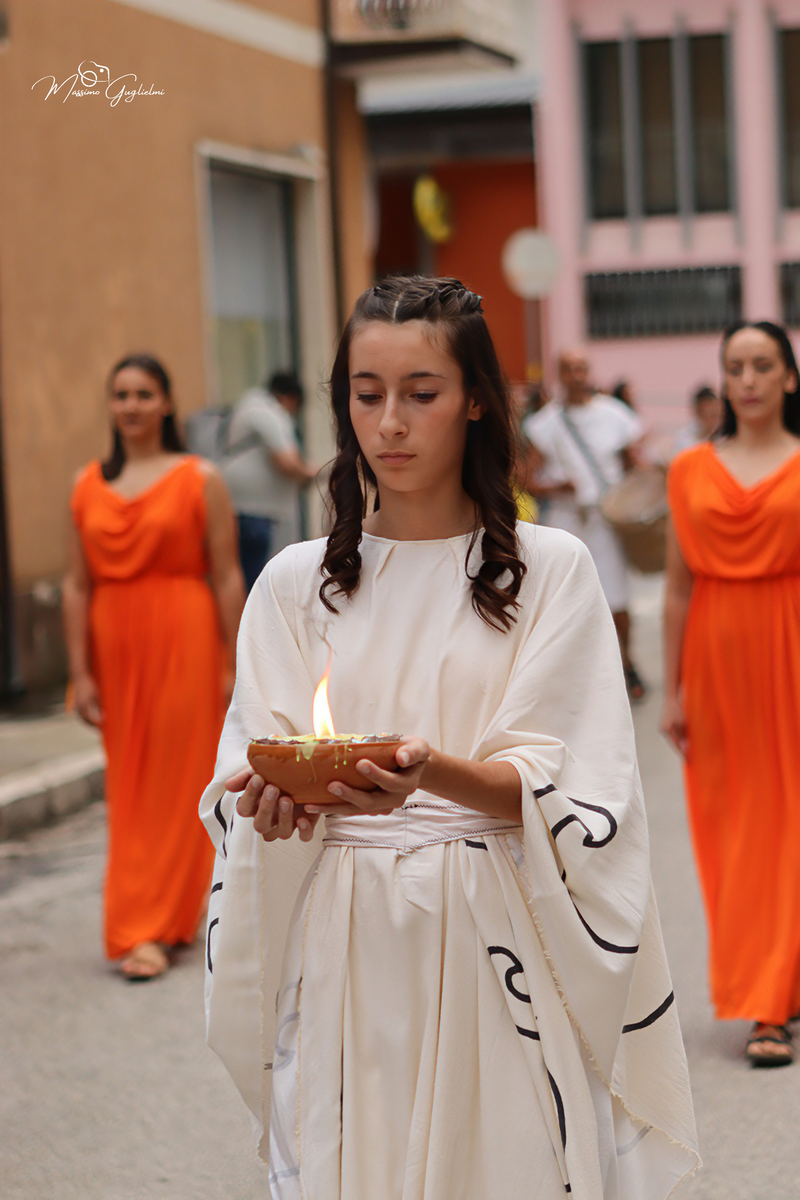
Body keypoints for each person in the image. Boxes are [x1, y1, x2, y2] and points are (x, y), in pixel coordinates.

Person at [200, 277, 699, 1198]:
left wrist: (433, 774)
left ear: (475, 400)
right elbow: (246, 766)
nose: (389, 422)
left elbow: (584, 789)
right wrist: (267, 805)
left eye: (420, 393)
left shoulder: (549, 572)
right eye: (365, 393)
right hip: (341, 939)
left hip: (491, 930)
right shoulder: (293, 583)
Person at [63, 354, 244, 981]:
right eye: (121, 395)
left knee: (177, 780)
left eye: (144, 394)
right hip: (116, 647)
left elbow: (225, 575)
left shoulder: (200, 478)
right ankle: (153, 916)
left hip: (185, 639)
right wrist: (80, 673)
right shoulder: (86, 483)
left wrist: (234, 660)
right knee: (129, 785)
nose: (132, 405)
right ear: (110, 405)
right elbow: (75, 584)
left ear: (167, 403)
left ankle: (154, 928)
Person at [663, 320, 800, 1068]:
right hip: (717, 663)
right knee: (739, 833)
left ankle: (779, 993)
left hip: (793, 646)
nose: (747, 379)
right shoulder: (688, 469)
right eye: (735, 367)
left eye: (763, 365)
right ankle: (763, 995)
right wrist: (671, 689)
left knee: (793, 825)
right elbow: (679, 585)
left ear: (789, 378)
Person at [522, 351, 647, 699]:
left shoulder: (613, 414)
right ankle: (583, 674)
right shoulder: (546, 423)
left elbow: (631, 465)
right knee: (569, 599)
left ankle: (627, 663)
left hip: (605, 519)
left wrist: (643, 491)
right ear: (560, 375)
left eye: (582, 368)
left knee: (618, 597)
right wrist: (557, 487)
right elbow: (525, 478)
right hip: (567, 520)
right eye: (570, 370)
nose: (577, 376)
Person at [220, 371, 319, 592]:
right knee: (258, 582)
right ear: (290, 400)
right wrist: (311, 473)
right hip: (254, 513)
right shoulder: (266, 410)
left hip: (247, 511)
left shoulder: (250, 405)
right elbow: (286, 462)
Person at [672, 385, 724, 454]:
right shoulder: (684, 437)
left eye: (713, 414)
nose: (709, 419)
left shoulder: (725, 436)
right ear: (697, 411)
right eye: (705, 414)